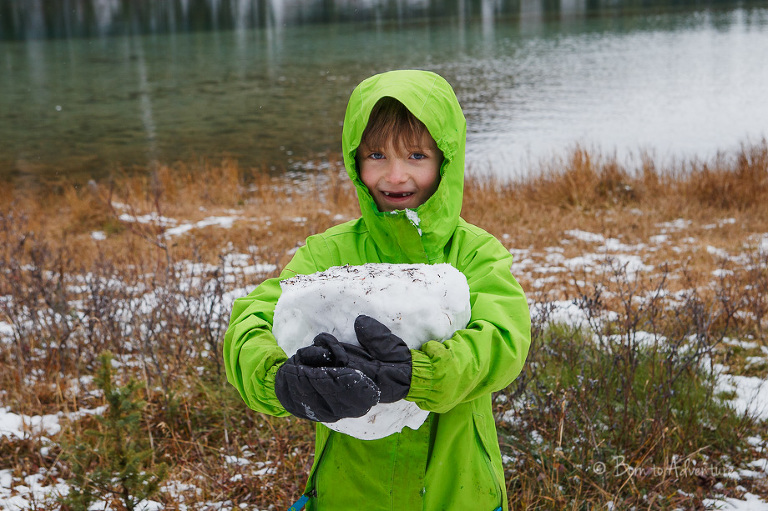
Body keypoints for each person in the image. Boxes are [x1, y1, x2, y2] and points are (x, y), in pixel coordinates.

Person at [223, 69, 531, 510]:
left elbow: (504, 339)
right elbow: (252, 320)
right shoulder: (329, 253)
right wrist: (278, 379)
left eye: (416, 155)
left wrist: (420, 375)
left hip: (456, 485)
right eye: (376, 154)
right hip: (350, 488)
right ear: (355, 159)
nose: (395, 175)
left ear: (446, 158)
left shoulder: (474, 254)